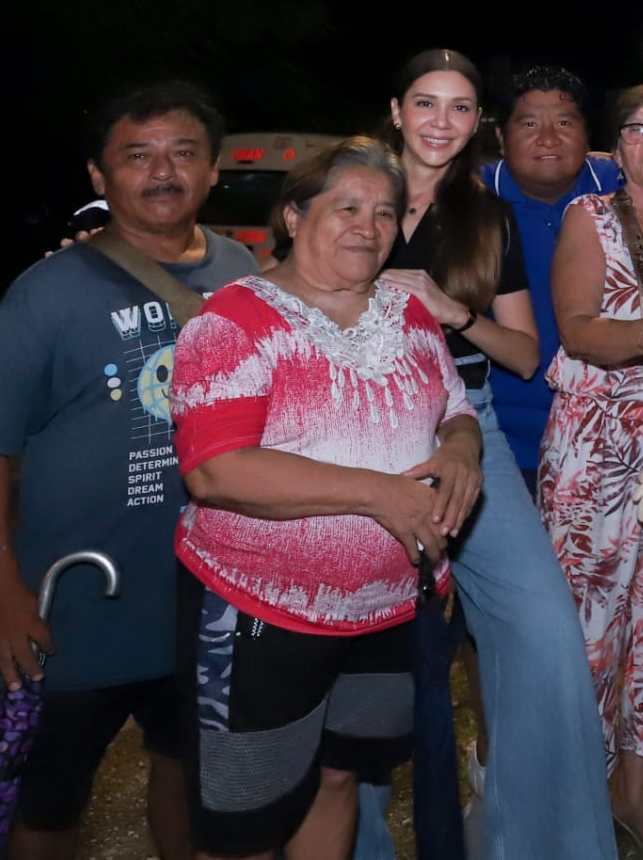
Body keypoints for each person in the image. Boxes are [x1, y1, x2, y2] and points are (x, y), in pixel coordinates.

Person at [0, 81, 254, 860]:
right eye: (137, 155)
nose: (163, 171)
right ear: (99, 177)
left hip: (205, 595)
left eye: (183, 152)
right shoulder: (48, 291)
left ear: (213, 169)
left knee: (188, 777)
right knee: (47, 804)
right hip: (77, 602)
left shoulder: (246, 274)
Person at [170, 137, 482, 860]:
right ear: (291, 216)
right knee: (242, 822)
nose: (368, 227)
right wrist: (380, 496)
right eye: (346, 207)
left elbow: (456, 406)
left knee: (339, 778)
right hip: (257, 611)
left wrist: (464, 448)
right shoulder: (233, 320)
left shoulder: (407, 315)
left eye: (384, 212)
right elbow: (215, 470)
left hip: (386, 612)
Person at [366, 49, 616, 860]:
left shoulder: (484, 216)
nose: (443, 122)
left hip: (469, 424)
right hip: (354, 432)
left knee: (545, 632)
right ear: (397, 110)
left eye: (461, 108)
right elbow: (270, 289)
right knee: (362, 654)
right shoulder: (347, 193)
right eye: (427, 104)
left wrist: (449, 308)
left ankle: (535, 840)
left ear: (478, 125)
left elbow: (523, 353)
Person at [542, 79, 643, 860]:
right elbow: (576, 332)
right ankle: (570, 794)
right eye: (636, 130)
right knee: (586, 631)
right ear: (616, 147)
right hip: (596, 449)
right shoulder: (592, 218)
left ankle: (636, 795)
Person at [485, 65, 622, 483]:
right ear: (500, 137)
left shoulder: (628, 189)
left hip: (610, 440)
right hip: (497, 443)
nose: (548, 138)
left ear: (587, 133)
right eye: (529, 123)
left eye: (564, 122)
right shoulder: (468, 203)